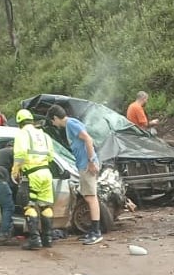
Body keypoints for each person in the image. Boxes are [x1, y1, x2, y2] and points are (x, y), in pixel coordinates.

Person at [47, 104, 103, 245]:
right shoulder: (72, 123)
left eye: (52, 121)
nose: (53, 124)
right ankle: (92, 230)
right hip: (83, 164)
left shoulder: (71, 124)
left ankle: (96, 232)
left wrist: (91, 161)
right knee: (88, 197)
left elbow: (88, 139)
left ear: (55, 118)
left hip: (86, 165)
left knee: (91, 198)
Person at [11, 109, 55, 250]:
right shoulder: (45, 135)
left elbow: (20, 154)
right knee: (45, 206)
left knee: (29, 206)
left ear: (19, 123)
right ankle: (47, 239)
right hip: (46, 173)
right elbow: (51, 157)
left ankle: (35, 240)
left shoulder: (22, 134)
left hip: (32, 174)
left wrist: (15, 170)